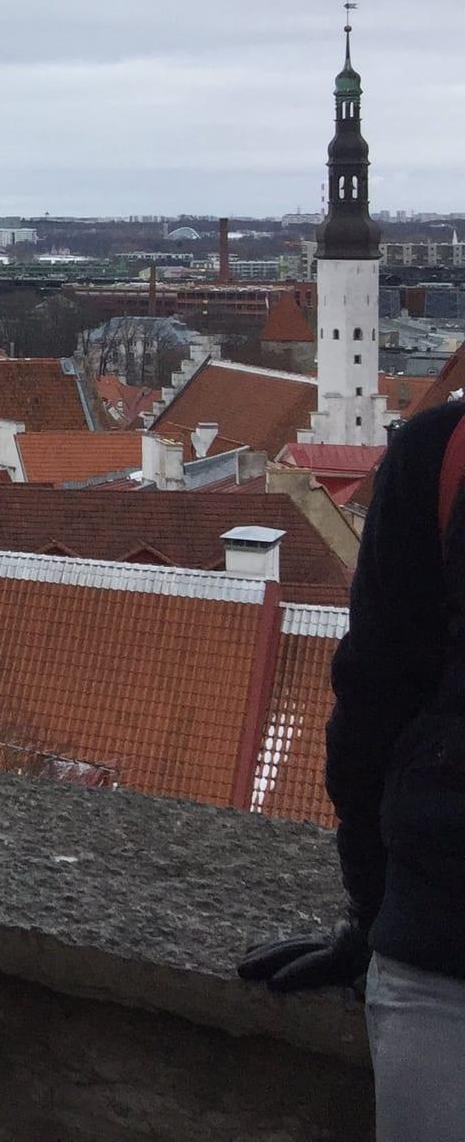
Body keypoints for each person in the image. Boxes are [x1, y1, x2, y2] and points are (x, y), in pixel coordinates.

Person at [240, 398, 465, 1141]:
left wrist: (371, 913)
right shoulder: (442, 451)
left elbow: (374, 707)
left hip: (444, 940)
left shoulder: (444, 449)